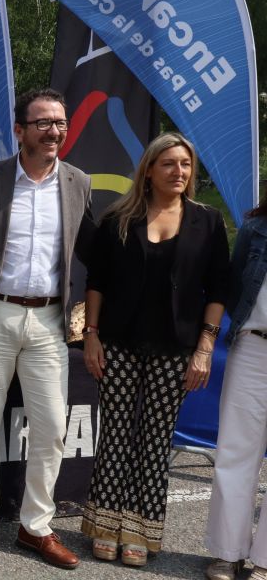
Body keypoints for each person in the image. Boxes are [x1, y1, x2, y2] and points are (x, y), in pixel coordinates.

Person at [0, 88, 92, 570]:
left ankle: (36, 526)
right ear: (20, 130)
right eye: (43, 123)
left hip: (50, 319)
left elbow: (92, 248)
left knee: (52, 427)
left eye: (60, 123)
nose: (54, 131)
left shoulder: (77, 182)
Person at [80, 132, 228, 567]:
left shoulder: (208, 221)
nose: (178, 172)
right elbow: (96, 282)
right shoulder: (118, 219)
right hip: (118, 342)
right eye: (168, 163)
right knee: (115, 435)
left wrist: (205, 347)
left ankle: (141, 531)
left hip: (176, 347)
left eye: (185, 164)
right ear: (148, 170)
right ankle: (104, 526)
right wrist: (91, 335)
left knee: (155, 439)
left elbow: (219, 288)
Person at [205, 194, 267, 580]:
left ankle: (266, 561)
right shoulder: (256, 228)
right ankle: (227, 554)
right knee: (234, 452)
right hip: (253, 347)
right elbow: (231, 287)